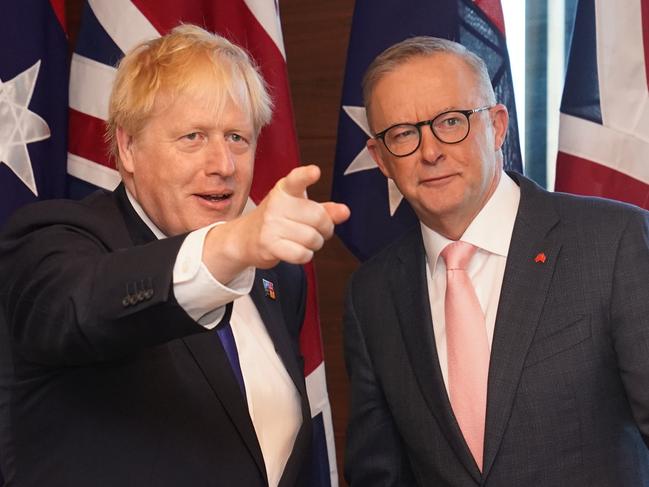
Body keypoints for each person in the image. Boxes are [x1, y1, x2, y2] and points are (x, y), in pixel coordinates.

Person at [0, 24, 349, 487]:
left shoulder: (278, 278)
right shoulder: (54, 241)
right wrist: (232, 245)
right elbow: (82, 307)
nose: (222, 165)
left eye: (237, 138)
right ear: (128, 146)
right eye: (193, 137)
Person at [343, 36, 649, 486]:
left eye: (451, 122)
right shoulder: (371, 294)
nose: (430, 152)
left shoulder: (614, 243)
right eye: (404, 134)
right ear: (381, 159)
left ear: (498, 126)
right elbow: (379, 474)